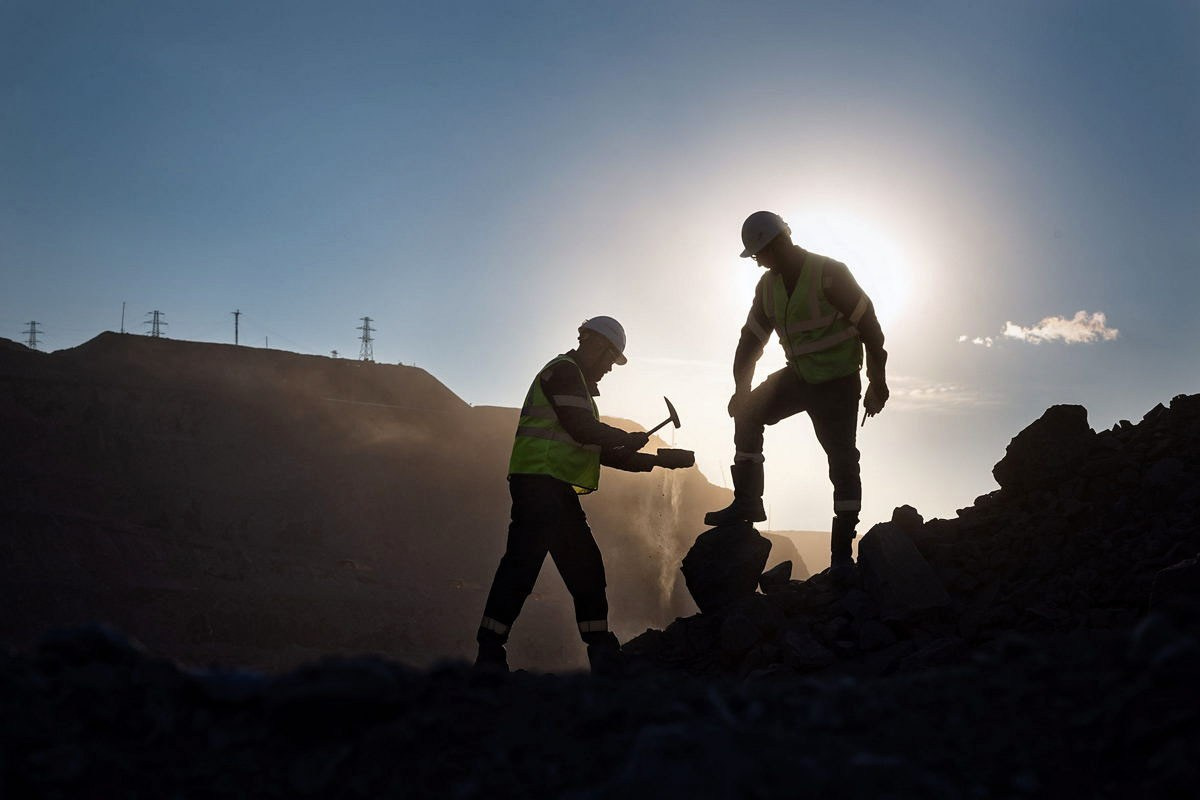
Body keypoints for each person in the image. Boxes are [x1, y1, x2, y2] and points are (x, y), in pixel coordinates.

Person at [476, 316, 695, 674]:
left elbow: (596, 449)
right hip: (538, 483)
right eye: (610, 358)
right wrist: (628, 436)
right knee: (523, 565)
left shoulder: (576, 384)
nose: (610, 367)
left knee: (584, 567)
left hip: (552, 487)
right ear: (593, 343)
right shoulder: (564, 373)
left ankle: (600, 650)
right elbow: (582, 429)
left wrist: (656, 460)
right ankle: (489, 653)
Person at [705, 211, 889, 584]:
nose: (757, 260)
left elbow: (870, 327)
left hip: (837, 383)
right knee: (748, 414)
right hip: (800, 376)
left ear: (778, 244)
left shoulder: (829, 273)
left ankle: (841, 554)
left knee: (842, 460)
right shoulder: (767, 288)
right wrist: (742, 392)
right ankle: (748, 502)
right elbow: (750, 342)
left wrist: (877, 381)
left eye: (759, 253)